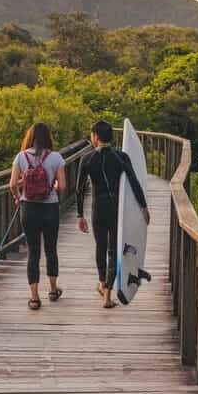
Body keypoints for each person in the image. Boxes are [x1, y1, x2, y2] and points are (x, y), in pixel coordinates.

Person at [76, 120, 149, 308]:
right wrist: (143, 207)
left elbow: (79, 190)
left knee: (100, 247)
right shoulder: (121, 157)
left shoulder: (87, 159)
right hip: (116, 208)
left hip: (98, 209)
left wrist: (80, 215)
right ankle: (107, 294)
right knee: (113, 251)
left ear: (95, 136)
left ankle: (102, 283)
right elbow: (134, 182)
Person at [9, 122, 67, 310]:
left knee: (33, 252)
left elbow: (12, 184)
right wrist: (53, 186)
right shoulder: (56, 157)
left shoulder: (21, 157)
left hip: (29, 209)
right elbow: (62, 186)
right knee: (51, 249)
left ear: (30, 137)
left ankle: (34, 298)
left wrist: (18, 197)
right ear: (47, 137)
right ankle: (53, 290)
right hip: (50, 208)